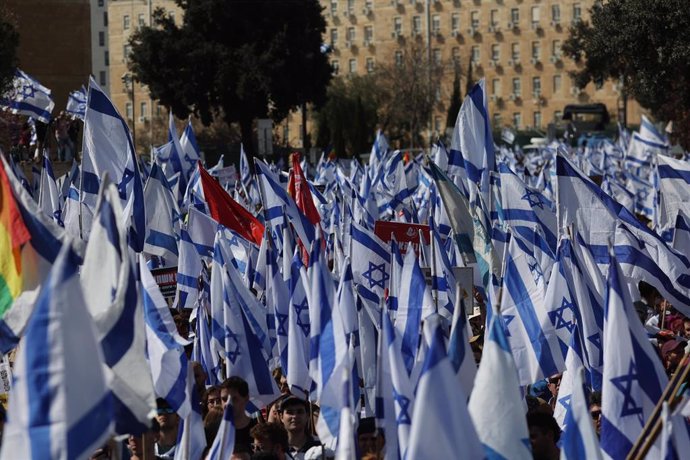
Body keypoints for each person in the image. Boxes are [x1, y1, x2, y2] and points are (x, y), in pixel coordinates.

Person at [221, 376, 258, 453]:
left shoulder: (257, 430)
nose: (227, 404)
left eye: (234, 399)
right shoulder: (211, 431)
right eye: (224, 399)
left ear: (246, 398)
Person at [278, 395, 320, 459]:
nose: (295, 416)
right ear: (281, 417)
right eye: (290, 412)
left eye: (299, 412)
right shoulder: (276, 448)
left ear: (307, 416)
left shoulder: (320, 445)